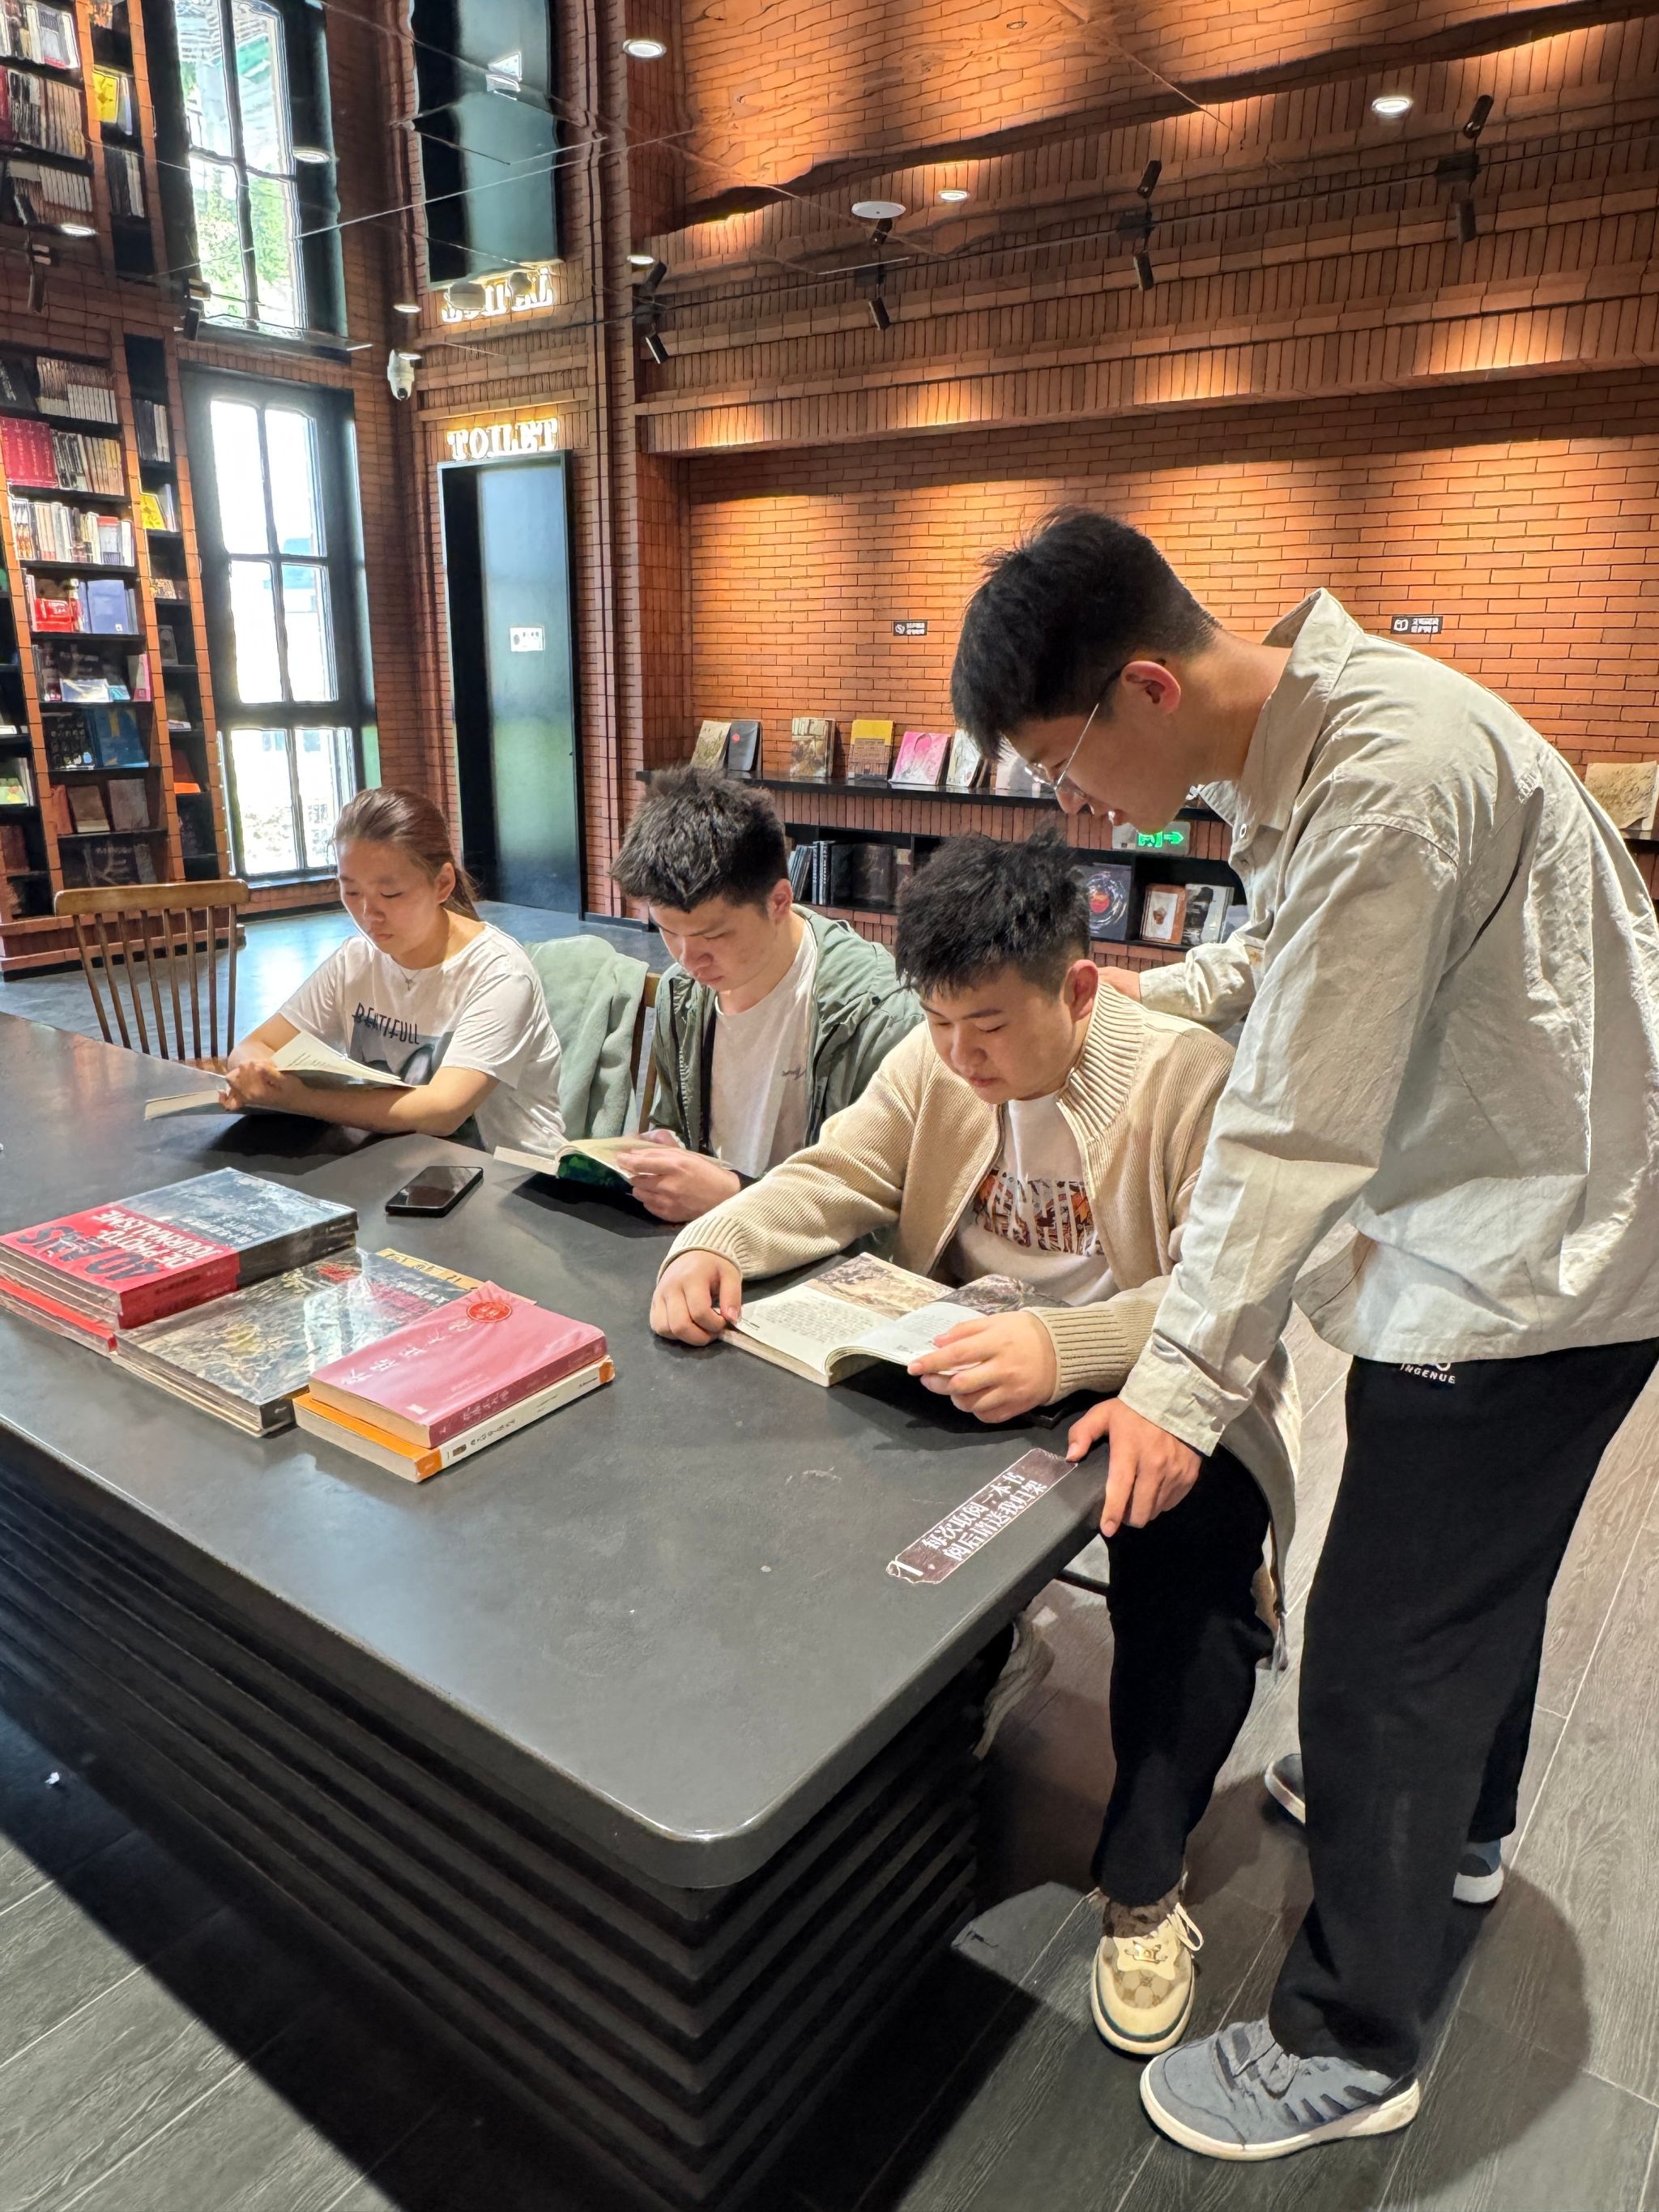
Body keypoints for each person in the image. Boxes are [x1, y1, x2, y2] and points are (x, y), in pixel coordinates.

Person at [951, 507, 1659, 2160]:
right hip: (1556, 1222)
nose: (1078, 809)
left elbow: (1289, 1130)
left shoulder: (1379, 781)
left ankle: (1348, 2038)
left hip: (1521, 1267)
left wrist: (1177, 1388)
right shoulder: (1337, 732)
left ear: (1142, 687)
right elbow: (1296, 953)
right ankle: (1456, 1836)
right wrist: (1163, 996)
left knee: (1377, 1653)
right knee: (1470, 1593)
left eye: (1064, 767)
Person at [652, 832, 1299, 2057]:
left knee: (1185, 1561)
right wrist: (717, 1239)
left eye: (990, 1026)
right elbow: (841, 1171)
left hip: (1152, 1383)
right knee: (804, 1459)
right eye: (940, 1021)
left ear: (1080, 988)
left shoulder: (1188, 1078)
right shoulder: (932, 1060)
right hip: (965, 1360)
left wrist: (1066, 1346)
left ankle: (1142, 1877)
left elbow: (1230, 1291)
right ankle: (960, 1677)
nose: (960, 1055)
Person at [609, 766, 920, 1221]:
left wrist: (734, 1196)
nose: (689, 960)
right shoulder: (684, 995)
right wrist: (666, 1150)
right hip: (708, 1242)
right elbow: (676, 1123)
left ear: (778, 901)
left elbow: (887, 1211)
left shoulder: (880, 1018)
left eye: (713, 936)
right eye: (668, 931)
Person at [224, 787, 565, 1152]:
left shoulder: (499, 973)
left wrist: (300, 1099)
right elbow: (253, 1046)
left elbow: (442, 1111)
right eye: (352, 892)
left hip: (510, 1174)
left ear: (442, 884)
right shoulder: (355, 961)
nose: (368, 914)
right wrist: (257, 1075)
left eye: (390, 894)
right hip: (397, 1163)